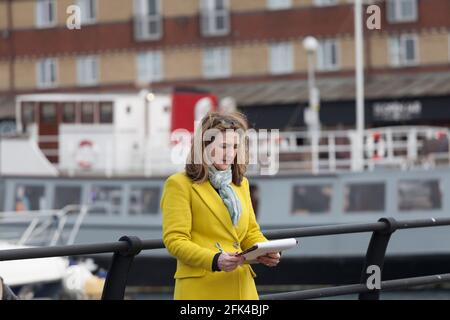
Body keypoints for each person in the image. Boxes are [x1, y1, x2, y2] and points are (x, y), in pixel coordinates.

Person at [160, 111, 280, 300]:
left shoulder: (240, 184)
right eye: (224, 146)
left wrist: (265, 250)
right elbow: (175, 241)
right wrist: (214, 260)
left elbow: (250, 232)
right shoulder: (179, 184)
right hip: (201, 290)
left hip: (242, 288)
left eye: (234, 147)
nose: (230, 153)